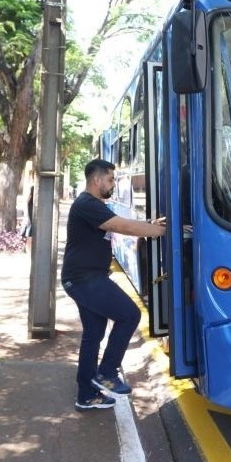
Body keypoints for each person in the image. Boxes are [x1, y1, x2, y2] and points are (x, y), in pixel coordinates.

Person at [61, 158, 166, 411]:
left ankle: (86, 396)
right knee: (129, 315)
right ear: (97, 180)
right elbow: (123, 226)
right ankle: (107, 373)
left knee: (93, 335)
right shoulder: (87, 203)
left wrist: (151, 226)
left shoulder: (94, 205)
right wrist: (164, 231)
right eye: (110, 180)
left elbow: (120, 223)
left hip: (85, 277)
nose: (113, 185)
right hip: (85, 279)